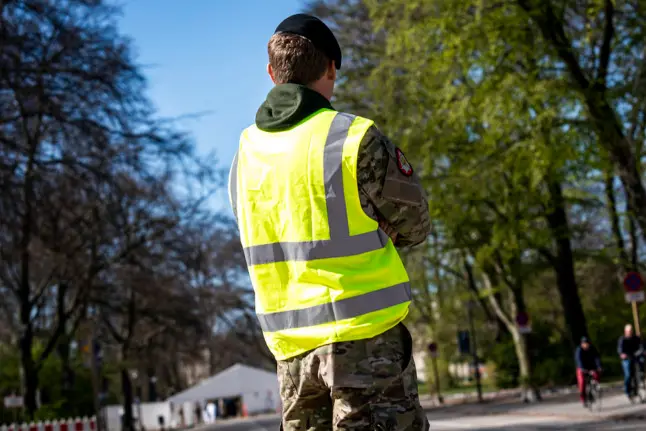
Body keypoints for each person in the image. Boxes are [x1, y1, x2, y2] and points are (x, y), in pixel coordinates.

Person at [227, 13, 431, 431]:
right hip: (366, 344)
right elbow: (416, 222)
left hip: (292, 358)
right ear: (331, 68)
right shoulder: (352, 137)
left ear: (272, 74)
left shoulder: (245, 153)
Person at [618, 323, 644, 398]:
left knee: (637, 373)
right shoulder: (622, 339)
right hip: (626, 359)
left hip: (635, 357)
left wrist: (639, 353)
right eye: (628, 331)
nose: (630, 332)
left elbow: (641, 347)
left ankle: (637, 388)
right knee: (628, 375)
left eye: (631, 331)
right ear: (625, 331)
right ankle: (628, 390)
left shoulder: (636, 338)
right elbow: (620, 349)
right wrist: (622, 354)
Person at [574, 336, 601, 407]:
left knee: (596, 375)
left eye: (587, 343)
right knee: (582, 382)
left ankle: (595, 388)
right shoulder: (579, 350)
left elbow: (597, 358)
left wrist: (599, 366)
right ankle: (583, 399)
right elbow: (579, 360)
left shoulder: (592, 349)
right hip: (582, 368)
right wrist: (582, 368)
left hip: (591, 367)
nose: (586, 345)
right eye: (584, 343)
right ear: (582, 344)